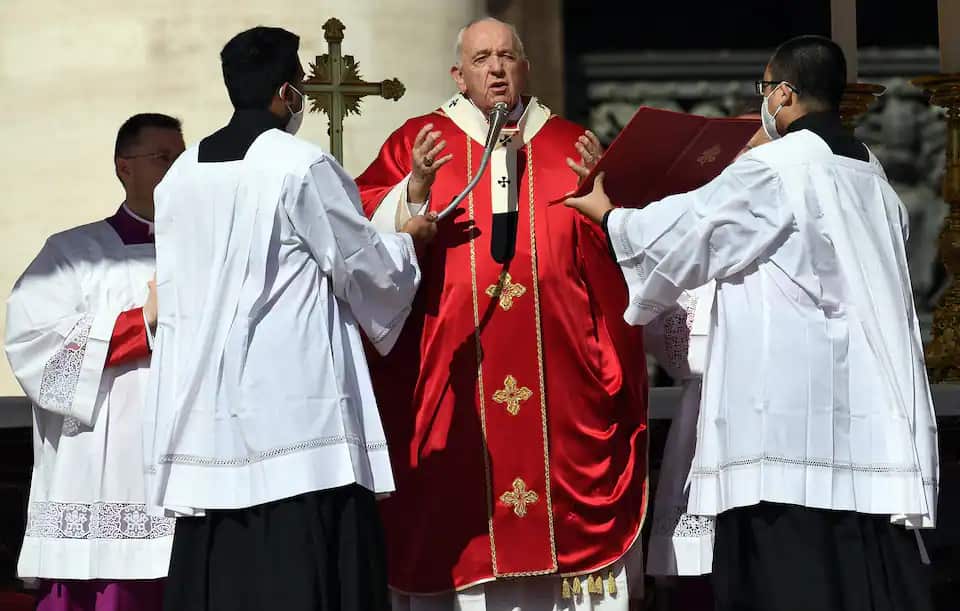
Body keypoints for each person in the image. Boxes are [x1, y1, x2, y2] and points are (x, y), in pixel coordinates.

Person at [564, 35, 938, 611]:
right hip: (865, 422)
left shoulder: (777, 168)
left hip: (784, 427)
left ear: (783, 94)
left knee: (788, 582)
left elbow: (691, 231)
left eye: (764, 89)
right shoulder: (872, 174)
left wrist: (610, 216)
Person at [355, 17, 648, 610]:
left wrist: (609, 207)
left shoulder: (569, 144)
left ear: (525, 68)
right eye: (481, 58)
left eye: (507, 56)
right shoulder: (418, 143)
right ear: (457, 75)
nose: (496, 68)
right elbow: (361, 231)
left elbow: (618, 261)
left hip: (561, 389)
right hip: (453, 382)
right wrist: (413, 192)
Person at [143, 26, 436, 611]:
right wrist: (409, 241)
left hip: (205, 415)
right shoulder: (300, 165)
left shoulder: (180, 176)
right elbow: (363, 267)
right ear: (286, 93)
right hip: (297, 422)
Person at [5, 113, 185, 611]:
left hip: (188, 467)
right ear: (124, 167)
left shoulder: (210, 251)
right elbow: (33, 347)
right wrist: (140, 322)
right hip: (103, 471)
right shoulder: (72, 253)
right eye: (163, 157)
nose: (177, 169)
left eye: (181, 157)